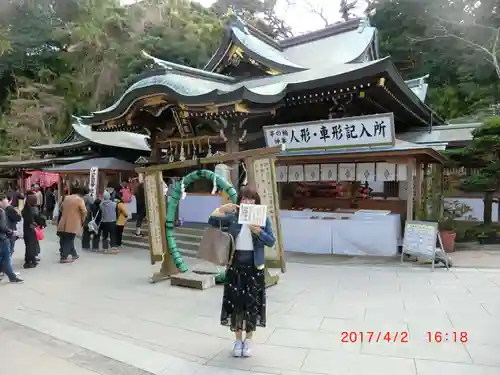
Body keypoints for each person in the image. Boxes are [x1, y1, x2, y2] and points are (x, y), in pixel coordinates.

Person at [208, 186, 275, 358]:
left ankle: (249, 340)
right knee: (236, 304)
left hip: (254, 268)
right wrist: (222, 209)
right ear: (240, 201)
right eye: (244, 198)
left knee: (252, 305)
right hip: (235, 266)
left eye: (251, 199)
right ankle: (238, 340)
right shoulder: (233, 217)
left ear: (256, 202)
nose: (247, 202)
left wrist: (258, 231)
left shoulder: (263, 218)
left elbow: (271, 242)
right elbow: (212, 222)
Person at [57, 187, 86, 263]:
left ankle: (74, 254)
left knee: (65, 239)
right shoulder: (80, 200)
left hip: (63, 222)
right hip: (73, 223)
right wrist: (82, 221)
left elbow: (60, 208)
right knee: (69, 239)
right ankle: (64, 257)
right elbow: (84, 211)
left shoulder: (66, 198)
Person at [0, 195, 23, 283]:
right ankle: (12, 277)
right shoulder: (2, 211)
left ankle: (9, 275)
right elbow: (2, 227)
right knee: (7, 257)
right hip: (3, 238)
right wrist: (11, 232)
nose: (7, 202)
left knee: (3, 257)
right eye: (6, 200)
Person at [22, 193, 46, 269]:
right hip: (32, 230)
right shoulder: (33, 209)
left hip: (26, 229)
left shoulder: (25, 209)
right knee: (31, 246)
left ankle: (30, 260)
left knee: (28, 246)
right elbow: (39, 219)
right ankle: (29, 262)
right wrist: (43, 223)